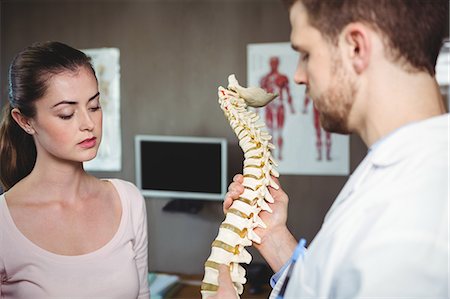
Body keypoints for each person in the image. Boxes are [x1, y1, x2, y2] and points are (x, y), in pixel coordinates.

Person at [213, 0, 449, 298]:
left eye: (306, 54)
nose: (299, 76)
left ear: (355, 47)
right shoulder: (399, 168)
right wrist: (274, 238)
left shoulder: (411, 224)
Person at [0, 41, 149, 299]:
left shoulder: (128, 200)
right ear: (25, 121)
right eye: (67, 114)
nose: (89, 123)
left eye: (94, 106)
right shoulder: (4, 223)